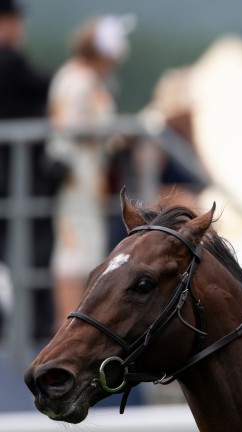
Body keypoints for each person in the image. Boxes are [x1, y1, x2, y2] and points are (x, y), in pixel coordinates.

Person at [45, 14, 134, 331]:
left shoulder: (78, 78)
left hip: (87, 176)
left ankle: (72, 322)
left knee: (81, 247)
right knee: (75, 249)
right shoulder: (79, 81)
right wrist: (110, 132)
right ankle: (69, 322)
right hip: (78, 175)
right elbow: (71, 127)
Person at [0, 0, 55, 339]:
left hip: (13, 183)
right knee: (31, 259)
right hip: (17, 182)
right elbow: (46, 84)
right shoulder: (10, 63)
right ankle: (34, 333)